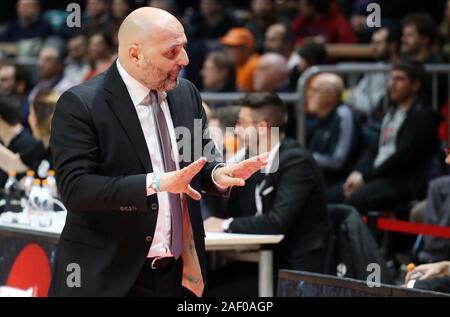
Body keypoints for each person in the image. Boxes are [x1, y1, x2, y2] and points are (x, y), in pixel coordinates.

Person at [49, 7, 268, 297]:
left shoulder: (185, 92)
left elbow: (197, 157)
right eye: (172, 52)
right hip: (107, 275)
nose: (185, 60)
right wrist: (156, 183)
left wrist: (217, 172)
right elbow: (75, 189)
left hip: (175, 275)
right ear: (135, 54)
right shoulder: (82, 103)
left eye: (184, 48)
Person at [204, 92, 333, 274]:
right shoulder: (251, 161)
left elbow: (276, 222)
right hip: (259, 261)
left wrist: (226, 225)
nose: (236, 130)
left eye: (241, 123)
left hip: (293, 267)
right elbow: (226, 214)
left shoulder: (296, 162)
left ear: (262, 128)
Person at [327, 59, 436, 214]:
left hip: (400, 182)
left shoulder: (421, 117)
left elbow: (400, 160)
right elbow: (373, 149)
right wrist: (358, 172)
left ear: (415, 85)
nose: (392, 84)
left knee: (350, 202)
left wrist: (365, 177)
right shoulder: (392, 112)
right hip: (377, 176)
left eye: (399, 79)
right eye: (392, 78)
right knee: (327, 197)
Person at [307, 73, 361, 185]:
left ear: (331, 95)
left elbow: (337, 162)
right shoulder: (319, 118)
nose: (308, 94)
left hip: (339, 182)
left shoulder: (343, 115)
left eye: (315, 90)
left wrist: (305, 157)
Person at [0, 90, 58, 178]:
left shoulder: (61, 151)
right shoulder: (41, 146)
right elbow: (13, 163)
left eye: (31, 114)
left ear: (40, 119)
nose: (29, 118)